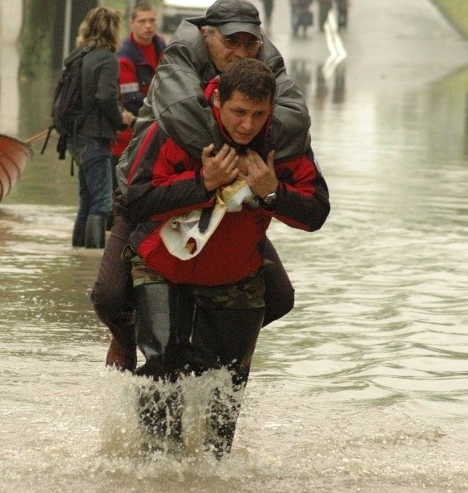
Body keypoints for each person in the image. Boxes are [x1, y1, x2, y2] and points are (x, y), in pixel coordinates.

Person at [91, 0, 311, 372]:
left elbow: (297, 121)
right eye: (231, 42)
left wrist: (261, 175)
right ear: (207, 36)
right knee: (109, 295)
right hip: (148, 186)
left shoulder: (265, 63)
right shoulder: (179, 59)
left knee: (280, 297)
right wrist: (240, 152)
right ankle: (129, 337)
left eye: (249, 43)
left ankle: (199, 346)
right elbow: (184, 119)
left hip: (228, 196)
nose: (241, 53)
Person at [124, 58, 330, 455]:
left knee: (225, 384)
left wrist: (273, 193)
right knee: (161, 368)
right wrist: (203, 182)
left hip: (236, 274)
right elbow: (135, 199)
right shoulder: (177, 127)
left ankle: (210, 473)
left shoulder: (285, 142)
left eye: (258, 114)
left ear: (271, 108)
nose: (247, 125)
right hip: (162, 264)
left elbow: (317, 211)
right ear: (216, 99)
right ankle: (155, 473)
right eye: (238, 112)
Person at [67, 7, 133, 249]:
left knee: (86, 201)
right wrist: (120, 119)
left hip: (76, 137)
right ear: (113, 30)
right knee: (102, 204)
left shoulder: (78, 55)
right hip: (95, 137)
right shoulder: (106, 58)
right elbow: (105, 96)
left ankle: (78, 255)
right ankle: (94, 261)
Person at [109, 2, 166, 195]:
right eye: (142, 21)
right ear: (132, 23)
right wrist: (165, 103)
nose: (148, 25)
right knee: (118, 197)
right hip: (125, 141)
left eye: (151, 20)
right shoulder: (125, 57)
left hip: (153, 135)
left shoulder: (162, 47)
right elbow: (131, 99)